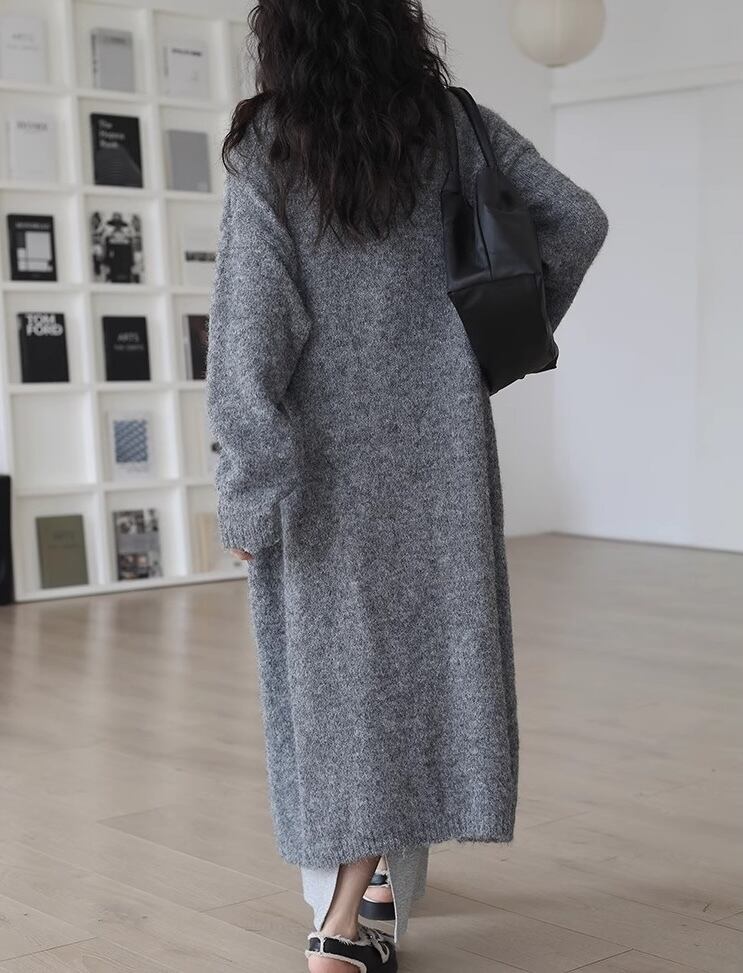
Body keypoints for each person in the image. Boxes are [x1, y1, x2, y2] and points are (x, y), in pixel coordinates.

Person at [206, 2, 608, 971]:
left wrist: (249, 484)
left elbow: (251, 331)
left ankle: (338, 925)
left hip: (320, 464)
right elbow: (576, 218)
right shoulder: (446, 124)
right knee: (421, 673)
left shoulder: (271, 142)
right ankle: (377, 884)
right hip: (439, 448)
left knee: (338, 691)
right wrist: (485, 338)